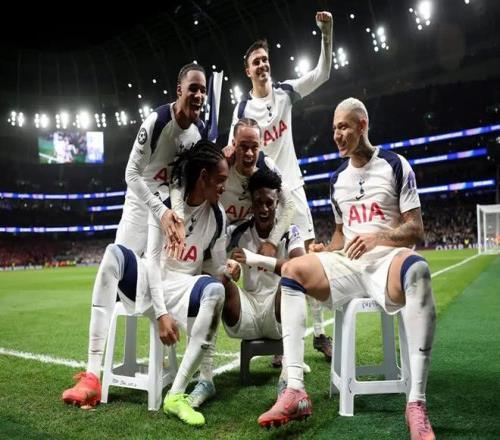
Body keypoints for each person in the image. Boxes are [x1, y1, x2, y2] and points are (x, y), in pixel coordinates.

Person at [258, 98, 437, 440]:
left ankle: (416, 403)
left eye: (343, 127)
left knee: (418, 271)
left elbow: (416, 229)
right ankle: (295, 390)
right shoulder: (337, 178)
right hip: (349, 263)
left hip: (387, 261)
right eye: (334, 129)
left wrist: (378, 237)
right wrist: (327, 248)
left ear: (362, 126)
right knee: (292, 270)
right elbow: (342, 234)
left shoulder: (395, 165)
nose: (337, 135)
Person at [62, 140, 230, 427]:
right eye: (221, 179)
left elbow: (216, 268)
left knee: (216, 290)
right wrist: (162, 314)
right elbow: (151, 260)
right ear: (204, 176)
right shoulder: (164, 202)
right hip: (151, 280)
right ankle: (92, 377)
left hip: (183, 287)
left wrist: (229, 269)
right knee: (113, 254)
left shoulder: (218, 216)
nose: (224, 187)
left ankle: (175, 396)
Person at [226, 12, 334, 359]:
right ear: (248, 70)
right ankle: (279, 336)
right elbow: (232, 148)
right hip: (261, 196)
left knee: (306, 256)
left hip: (293, 190)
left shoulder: (286, 93)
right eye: (256, 62)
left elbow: (322, 74)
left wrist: (326, 33)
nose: (262, 65)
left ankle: (319, 333)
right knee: (267, 258)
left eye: (265, 60)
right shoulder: (243, 108)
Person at [115, 63, 207, 257]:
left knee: (157, 273)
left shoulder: (200, 132)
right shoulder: (157, 121)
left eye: (203, 90)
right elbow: (131, 173)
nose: (199, 95)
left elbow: (185, 179)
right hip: (140, 208)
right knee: (122, 266)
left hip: (171, 213)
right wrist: (160, 211)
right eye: (193, 88)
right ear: (179, 90)